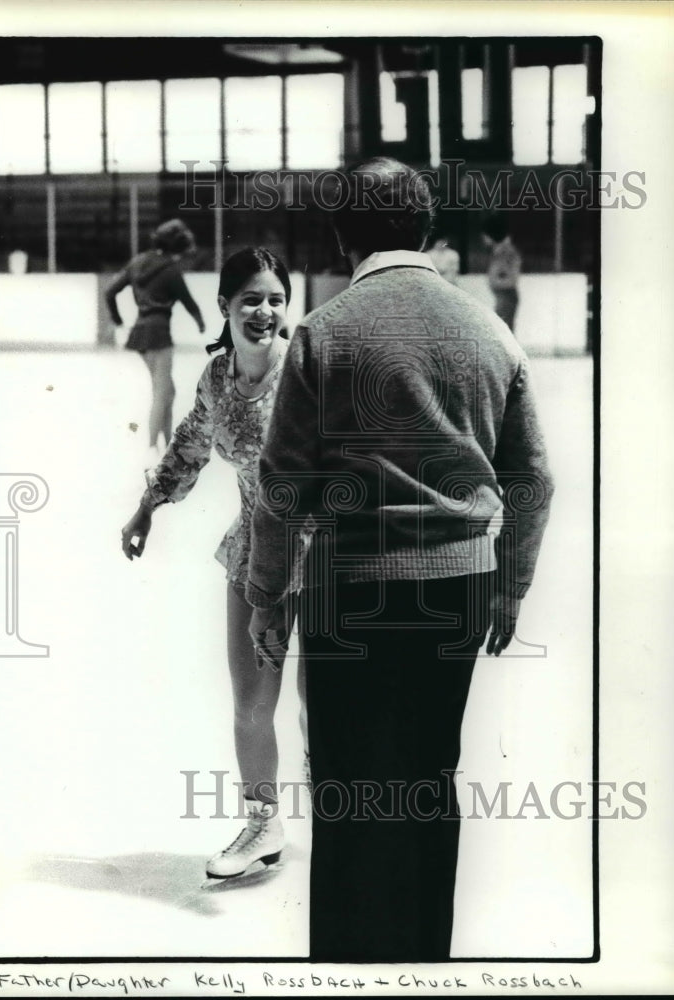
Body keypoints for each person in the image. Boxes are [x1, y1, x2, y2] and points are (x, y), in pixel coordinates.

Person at [246, 158, 555, 961]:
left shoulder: (324, 330)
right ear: (427, 232)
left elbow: (282, 482)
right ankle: (425, 961)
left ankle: (349, 969)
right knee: (427, 778)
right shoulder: (491, 330)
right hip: (460, 587)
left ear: (343, 235)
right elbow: (533, 476)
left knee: (349, 791)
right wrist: (511, 587)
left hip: (351, 594)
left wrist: (267, 592)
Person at [120, 247, 307, 883]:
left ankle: (350, 824)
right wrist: (148, 506)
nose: (264, 311)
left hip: (329, 551)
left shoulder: (306, 372)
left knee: (322, 703)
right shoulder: (218, 377)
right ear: (225, 305)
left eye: (276, 299)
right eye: (251, 298)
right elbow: (192, 443)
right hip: (255, 548)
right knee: (251, 700)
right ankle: (263, 824)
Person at [105, 219, 206, 452]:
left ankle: (168, 442)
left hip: (139, 332)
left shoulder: (137, 262)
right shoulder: (170, 270)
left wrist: (118, 320)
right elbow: (188, 301)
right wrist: (200, 321)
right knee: (162, 392)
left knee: (167, 391)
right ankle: (152, 447)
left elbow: (110, 291)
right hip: (159, 333)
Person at [482, 213, 522, 332]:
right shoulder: (498, 251)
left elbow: (512, 278)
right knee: (503, 331)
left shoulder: (505, 252)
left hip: (506, 296)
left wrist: (495, 282)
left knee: (503, 332)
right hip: (503, 296)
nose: (483, 239)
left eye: (485, 235)